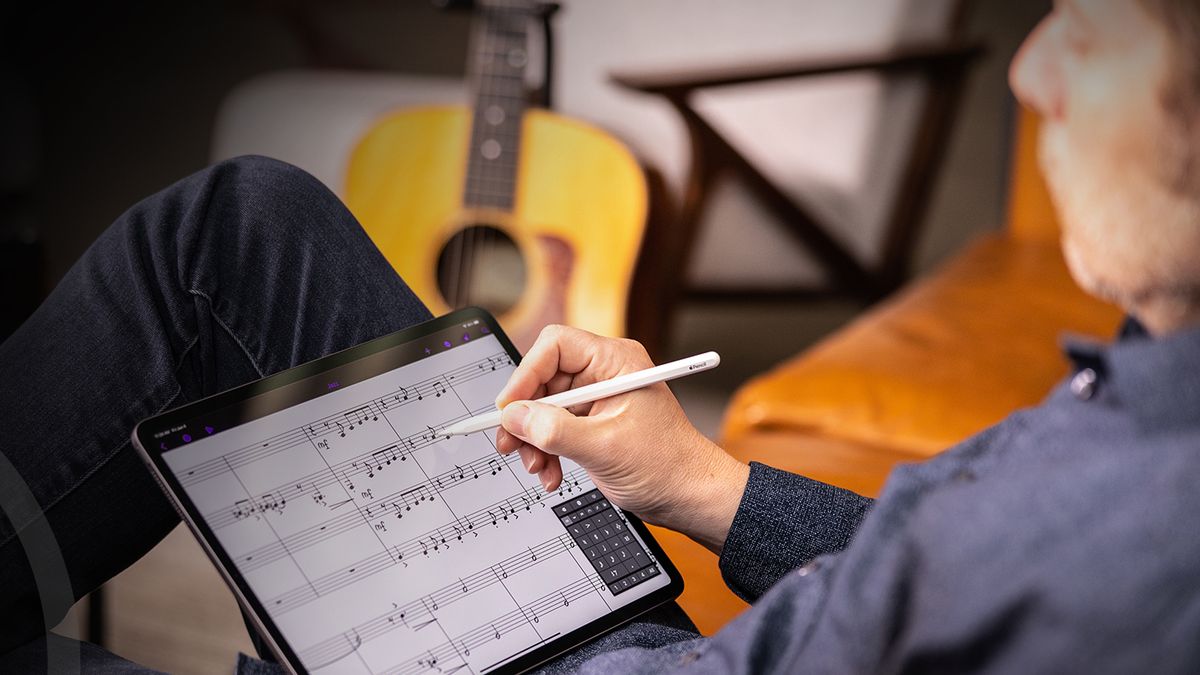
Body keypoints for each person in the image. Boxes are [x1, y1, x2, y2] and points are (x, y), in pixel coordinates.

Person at [3, 0, 1199, 671]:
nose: (1032, 69)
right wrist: (706, 482)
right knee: (239, 226)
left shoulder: (1149, 519)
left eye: (1096, 29)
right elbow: (936, 573)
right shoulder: (1145, 394)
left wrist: (431, 620)